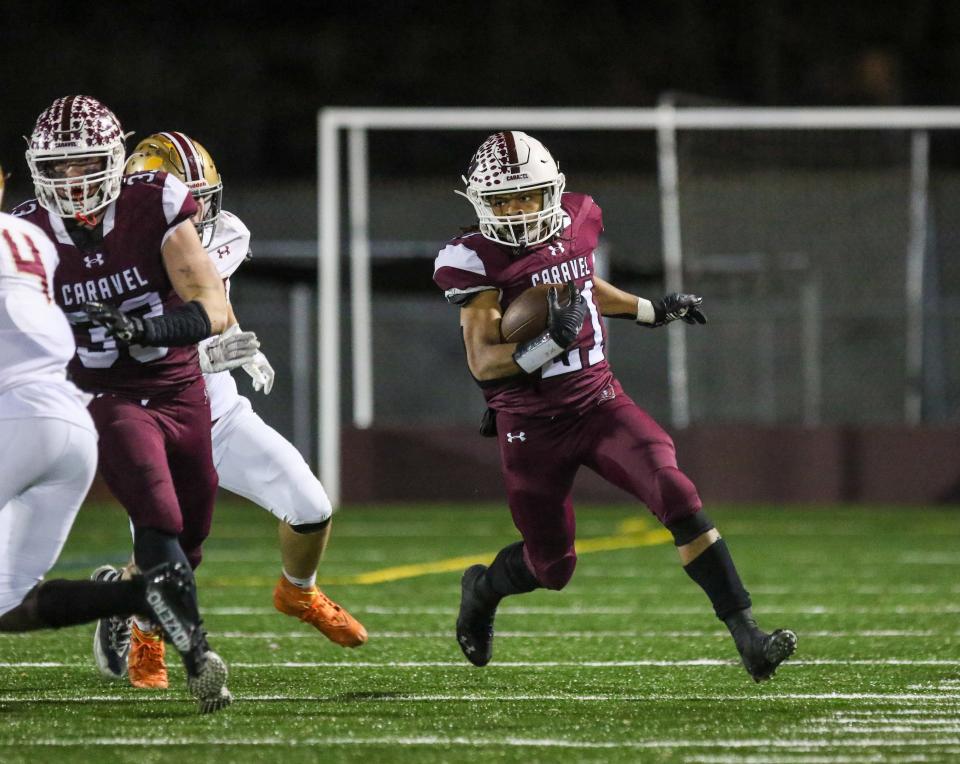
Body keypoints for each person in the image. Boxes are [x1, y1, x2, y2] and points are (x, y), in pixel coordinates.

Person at [433, 131, 797, 681]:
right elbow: (484, 362)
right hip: (532, 425)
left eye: (524, 196)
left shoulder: (579, 220)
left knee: (675, 491)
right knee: (552, 566)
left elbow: (583, 285)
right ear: (482, 204)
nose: (513, 211)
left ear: (549, 192)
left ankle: (747, 634)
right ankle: (482, 590)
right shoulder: (473, 259)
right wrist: (551, 341)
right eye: (501, 200)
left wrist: (652, 309)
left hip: (600, 401)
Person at [88, 131, 367, 682]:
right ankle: (137, 622)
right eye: (180, 206)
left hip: (218, 412)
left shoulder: (228, 234)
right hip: (151, 414)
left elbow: (208, 300)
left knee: (310, 506)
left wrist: (226, 343)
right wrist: (207, 352)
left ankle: (299, 592)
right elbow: (133, 338)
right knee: (167, 548)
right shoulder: (110, 255)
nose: (193, 219)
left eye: (200, 202)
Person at [12, 95, 232, 707]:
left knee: (190, 538)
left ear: (115, 160)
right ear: (37, 170)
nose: (72, 180)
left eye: (84, 164)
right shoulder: (26, 232)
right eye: (57, 168)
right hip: (104, 395)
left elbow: (212, 308)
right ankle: (198, 654)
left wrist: (148, 330)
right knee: (156, 517)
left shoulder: (154, 201)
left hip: (180, 387)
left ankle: (125, 597)